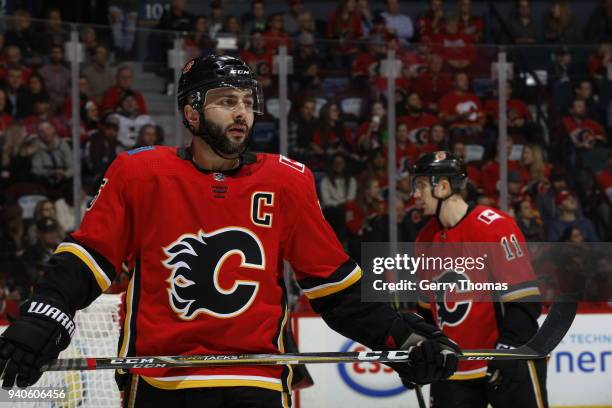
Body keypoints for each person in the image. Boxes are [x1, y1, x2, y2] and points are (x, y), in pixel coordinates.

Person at [0, 55, 459, 406]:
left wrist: (407, 335)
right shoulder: (139, 174)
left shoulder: (287, 180)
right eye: (225, 101)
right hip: (163, 377)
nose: (242, 112)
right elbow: (88, 258)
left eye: (246, 102)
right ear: (192, 114)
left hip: (254, 378)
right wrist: (45, 313)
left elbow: (335, 288)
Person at [411, 151, 546, 408]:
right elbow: (426, 313)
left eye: (419, 185)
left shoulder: (494, 226)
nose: (414, 194)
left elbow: (525, 301)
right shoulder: (424, 239)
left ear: (443, 186)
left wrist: (507, 353)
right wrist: (418, 355)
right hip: (452, 371)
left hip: (506, 362)